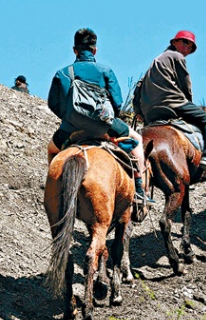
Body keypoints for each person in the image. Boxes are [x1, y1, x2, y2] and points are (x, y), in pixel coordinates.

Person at [47, 28, 150, 204]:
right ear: (95, 50)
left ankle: (53, 189)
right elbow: (117, 103)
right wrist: (109, 119)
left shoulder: (63, 73)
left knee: (52, 149)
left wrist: (69, 117)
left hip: (71, 126)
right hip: (104, 125)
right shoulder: (105, 71)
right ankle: (139, 189)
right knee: (138, 141)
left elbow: (53, 104)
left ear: (75, 50)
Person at [137, 30, 206, 176]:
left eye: (190, 47)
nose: (187, 48)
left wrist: (139, 111)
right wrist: (189, 103)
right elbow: (185, 84)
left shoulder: (155, 62)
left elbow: (139, 86)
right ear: (174, 42)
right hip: (172, 103)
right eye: (185, 42)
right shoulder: (176, 56)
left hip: (150, 112)